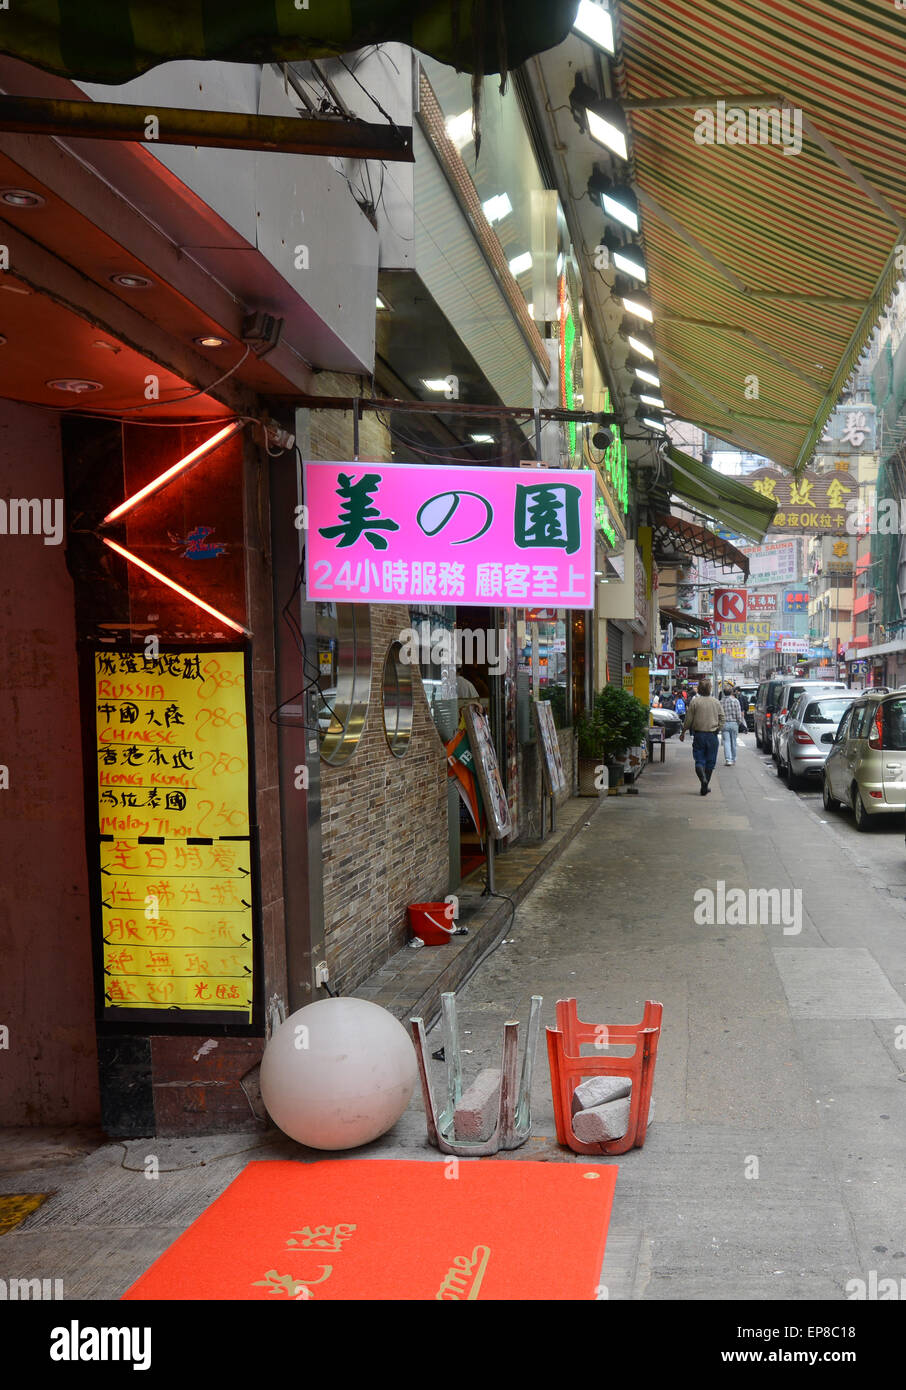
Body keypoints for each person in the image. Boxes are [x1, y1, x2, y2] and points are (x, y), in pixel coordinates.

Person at [679, 678, 725, 795]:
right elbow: (722, 718)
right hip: (712, 735)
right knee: (710, 762)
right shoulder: (716, 702)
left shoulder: (695, 702)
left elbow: (688, 719)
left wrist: (683, 732)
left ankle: (703, 781)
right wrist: (718, 728)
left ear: (699, 689)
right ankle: (705, 785)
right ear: (710, 688)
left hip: (699, 735)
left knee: (699, 760)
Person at [719, 682, 744, 766]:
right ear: (731, 692)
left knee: (726, 742)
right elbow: (738, 714)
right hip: (734, 723)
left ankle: (728, 760)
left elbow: (719, 714)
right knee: (734, 742)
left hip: (724, 724)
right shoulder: (736, 701)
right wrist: (739, 722)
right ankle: (733, 759)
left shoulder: (720, 702)